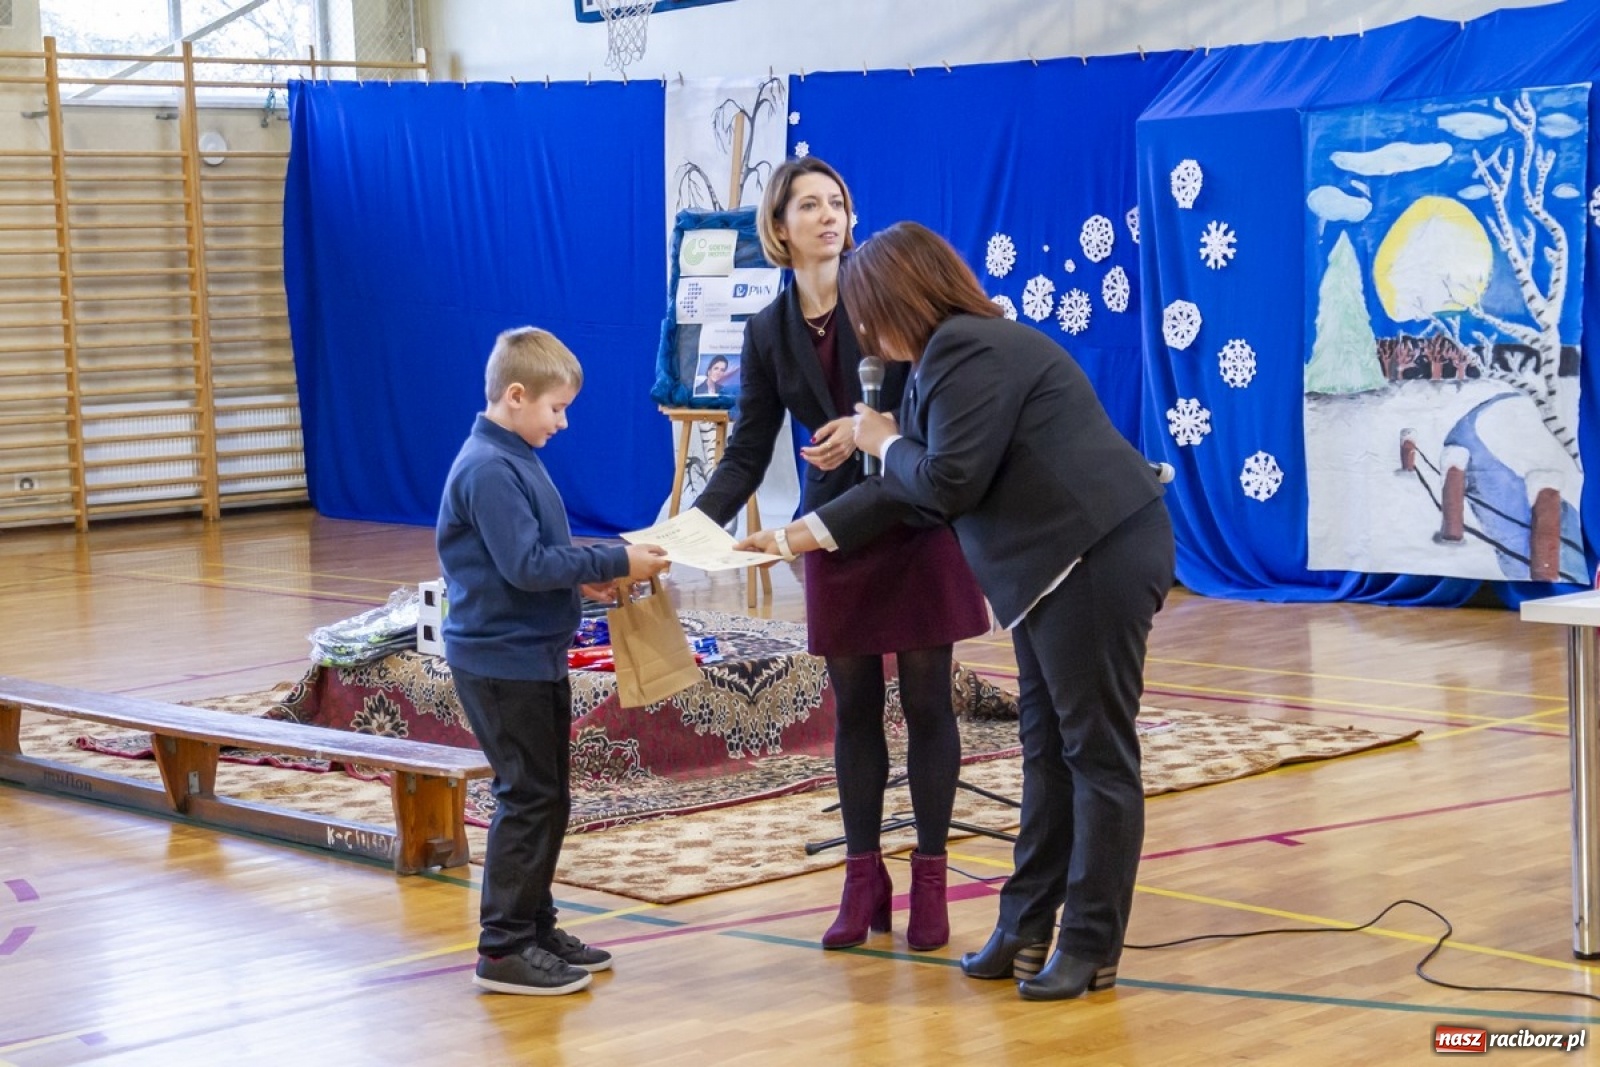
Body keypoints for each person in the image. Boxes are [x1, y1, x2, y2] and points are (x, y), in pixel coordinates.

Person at [737, 221, 1174, 1001]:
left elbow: (945, 484)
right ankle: (1026, 922)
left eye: (868, 311)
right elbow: (929, 477)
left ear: (900, 298)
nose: (864, 331)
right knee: (1047, 748)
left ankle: (1091, 943)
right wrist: (809, 529)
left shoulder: (967, 351)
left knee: (1096, 756)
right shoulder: (953, 355)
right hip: (1053, 566)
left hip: (1098, 553)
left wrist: (881, 437)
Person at [693, 159, 990, 952]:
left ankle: (931, 875)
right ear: (779, 228)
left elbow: (929, 420)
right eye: (811, 205)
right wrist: (691, 528)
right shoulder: (766, 331)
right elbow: (746, 450)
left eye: (839, 203)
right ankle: (865, 876)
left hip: (914, 514)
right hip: (831, 530)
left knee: (928, 702)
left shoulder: (885, 293)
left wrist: (873, 433)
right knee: (853, 709)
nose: (830, 216)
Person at [437, 325, 670, 996]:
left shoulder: (513, 453)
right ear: (516, 395)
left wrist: (585, 577)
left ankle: (535, 924)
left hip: (531, 654)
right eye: (555, 408)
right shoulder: (487, 466)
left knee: (549, 798)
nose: (562, 422)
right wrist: (616, 559)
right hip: (500, 659)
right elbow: (526, 562)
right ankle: (504, 945)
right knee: (527, 799)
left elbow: (538, 555)